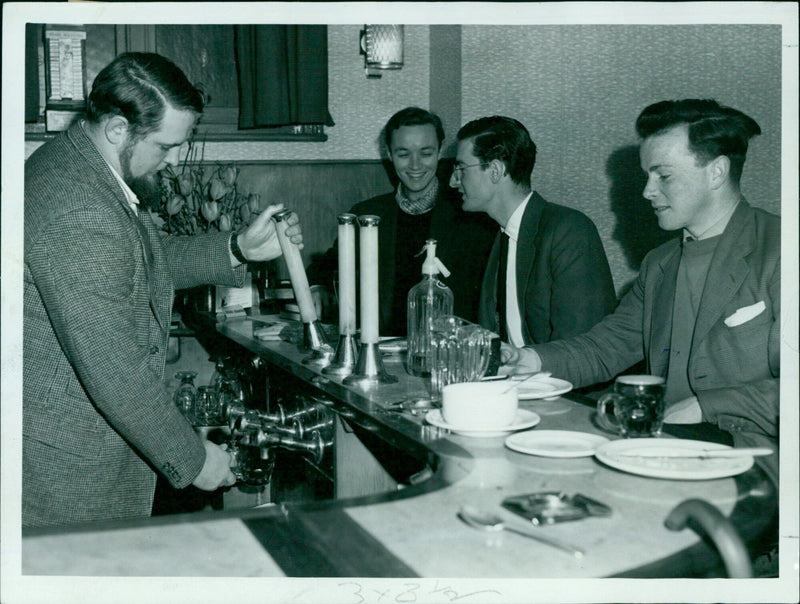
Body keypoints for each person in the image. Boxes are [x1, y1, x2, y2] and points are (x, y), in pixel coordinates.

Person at [23, 52, 303, 528]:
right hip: (69, 468)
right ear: (116, 129)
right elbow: (114, 371)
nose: (173, 161)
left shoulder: (77, 162)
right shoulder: (81, 210)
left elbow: (136, 259)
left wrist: (236, 248)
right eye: (165, 146)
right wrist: (195, 460)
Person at [505, 99, 779, 485]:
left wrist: (705, 405)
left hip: (757, 460)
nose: (648, 191)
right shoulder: (660, 263)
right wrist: (527, 359)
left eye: (662, 175)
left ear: (717, 171)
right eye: (646, 176)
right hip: (668, 448)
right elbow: (607, 347)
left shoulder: (784, 250)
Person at [307, 107, 495, 336]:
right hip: (380, 351)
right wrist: (316, 287)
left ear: (440, 151)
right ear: (388, 153)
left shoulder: (471, 215)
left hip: (447, 353)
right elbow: (324, 266)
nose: (415, 165)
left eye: (425, 153)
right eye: (403, 154)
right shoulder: (367, 214)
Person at [450, 116, 617, 347]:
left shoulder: (569, 231)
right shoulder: (500, 236)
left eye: (460, 168)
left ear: (496, 171)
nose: (453, 181)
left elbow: (582, 347)